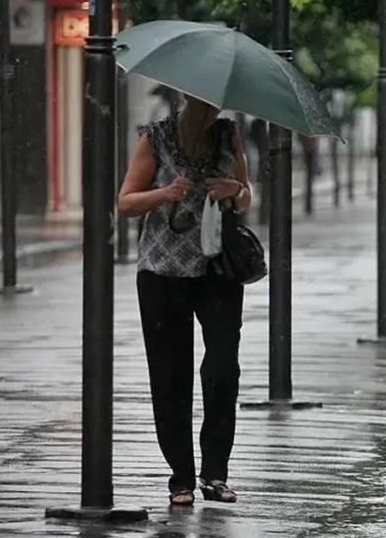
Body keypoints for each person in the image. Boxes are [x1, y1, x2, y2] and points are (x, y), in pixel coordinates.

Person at [118, 96, 252, 507]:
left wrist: (235, 191)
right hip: (162, 272)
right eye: (202, 106)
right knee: (171, 377)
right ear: (186, 102)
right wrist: (166, 193)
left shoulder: (229, 136)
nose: (209, 114)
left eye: (214, 107)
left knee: (222, 369)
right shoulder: (155, 138)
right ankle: (181, 477)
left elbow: (246, 196)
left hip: (217, 271)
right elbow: (124, 202)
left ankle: (215, 473)